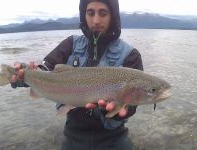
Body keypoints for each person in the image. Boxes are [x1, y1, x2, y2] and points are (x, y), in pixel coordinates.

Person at [11, 0, 143, 149]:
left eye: (103, 13)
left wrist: (118, 111)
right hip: (73, 136)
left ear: (113, 16)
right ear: (83, 15)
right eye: (90, 13)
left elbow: (132, 106)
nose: (96, 20)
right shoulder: (70, 44)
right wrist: (23, 75)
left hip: (114, 137)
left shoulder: (131, 55)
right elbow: (45, 70)